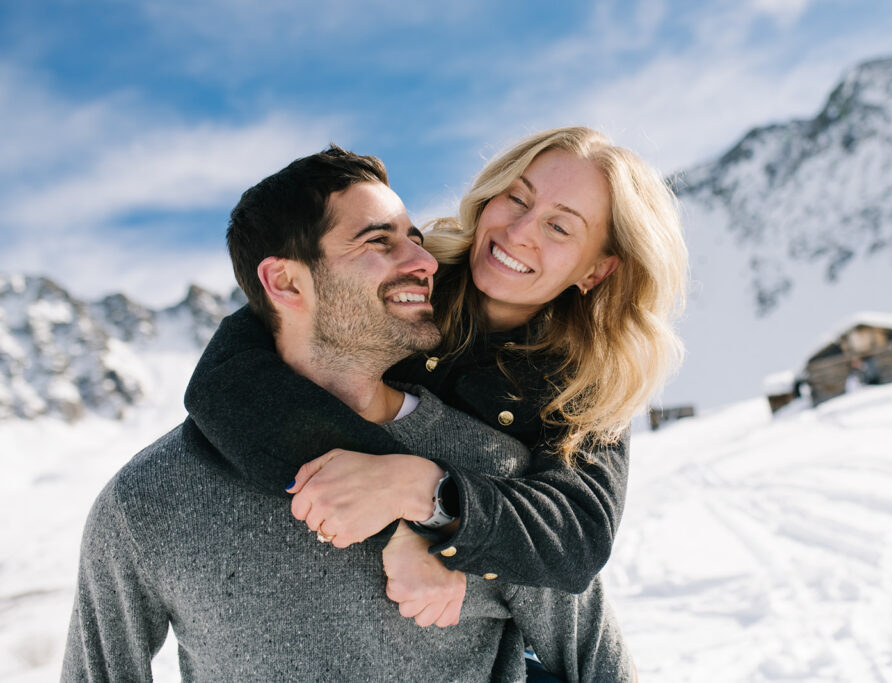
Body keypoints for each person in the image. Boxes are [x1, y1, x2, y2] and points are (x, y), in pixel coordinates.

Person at [63, 146, 634, 681]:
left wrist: (435, 507)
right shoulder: (148, 502)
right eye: (379, 241)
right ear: (285, 281)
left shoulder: (502, 486)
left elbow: (593, 630)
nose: (425, 261)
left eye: (414, 238)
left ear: (595, 271)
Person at [183, 127, 688, 621]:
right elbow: (230, 379)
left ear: (595, 272)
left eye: (559, 227)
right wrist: (401, 524)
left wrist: (429, 496)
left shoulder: (593, 380)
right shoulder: (410, 278)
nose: (517, 233)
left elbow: (576, 535)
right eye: (517, 198)